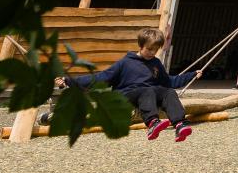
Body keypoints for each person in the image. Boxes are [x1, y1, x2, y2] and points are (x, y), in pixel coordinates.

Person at [56, 28, 198, 142]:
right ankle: (153, 123)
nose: (152, 53)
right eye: (149, 49)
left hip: (148, 93)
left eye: (155, 50)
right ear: (141, 45)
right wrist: (68, 80)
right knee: (146, 91)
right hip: (126, 95)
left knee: (169, 92)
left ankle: (180, 124)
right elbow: (101, 78)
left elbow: (170, 82)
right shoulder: (125, 63)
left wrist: (191, 75)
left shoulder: (156, 64)